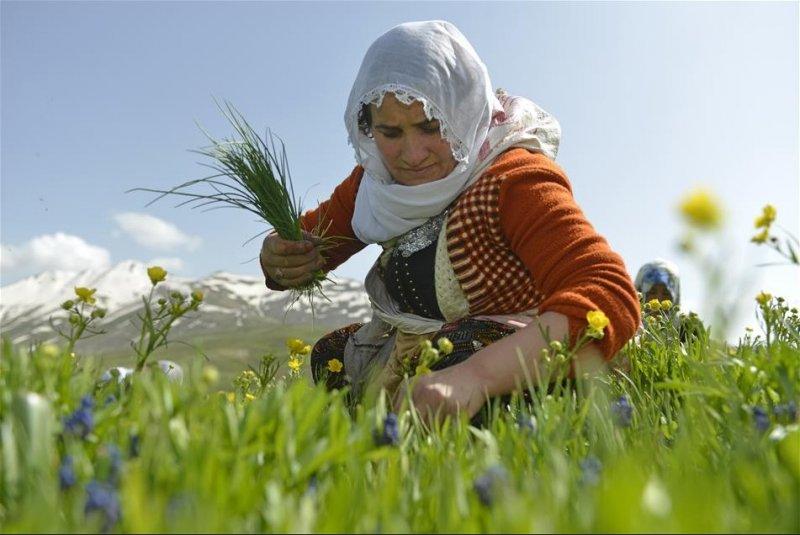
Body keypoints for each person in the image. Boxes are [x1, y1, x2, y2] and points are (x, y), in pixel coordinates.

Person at [259, 20, 640, 422]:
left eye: (431, 126)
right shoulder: (374, 185)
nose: (413, 155)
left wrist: (476, 377)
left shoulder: (514, 178)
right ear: (368, 128)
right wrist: (278, 257)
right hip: (424, 349)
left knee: (458, 351)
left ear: (464, 111)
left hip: (512, 355)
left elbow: (608, 294)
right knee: (331, 354)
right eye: (391, 132)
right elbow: (305, 243)